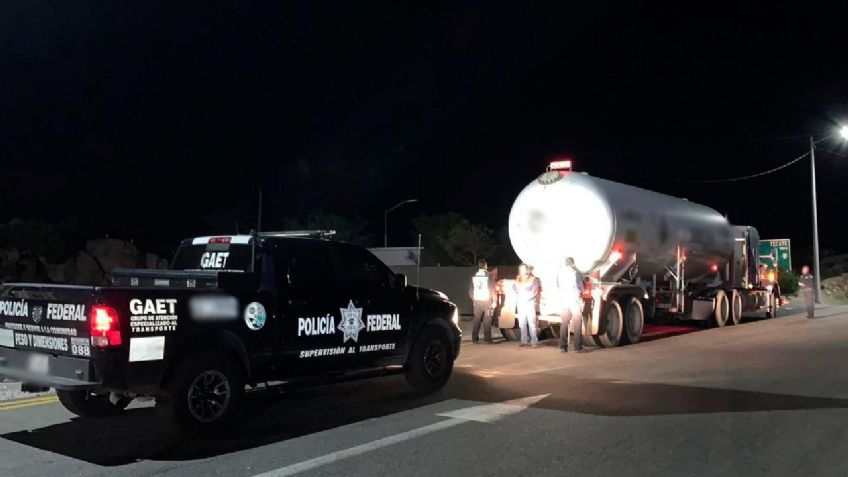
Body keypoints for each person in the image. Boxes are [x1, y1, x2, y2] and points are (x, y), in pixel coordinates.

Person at [555, 257, 586, 353]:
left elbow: (558, 285)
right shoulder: (575, 273)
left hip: (564, 300)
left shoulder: (560, 274)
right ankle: (577, 347)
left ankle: (563, 347)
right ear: (573, 264)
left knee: (564, 323)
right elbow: (582, 287)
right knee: (577, 322)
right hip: (574, 300)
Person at [468, 260, 496, 344]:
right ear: (485, 265)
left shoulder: (474, 275)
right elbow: (492, 289)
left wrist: (473, 299)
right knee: (487, 319)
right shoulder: (489, 275)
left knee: (476, 319)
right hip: (487, 300)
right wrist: (494, 301)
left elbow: (470, 290)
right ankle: (488, 339)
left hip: (477, 300)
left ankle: (474, 339)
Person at [513, 264, 540, 348]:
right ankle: (524, 341)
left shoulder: (533, 279)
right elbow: (514, 289)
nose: (521, 271)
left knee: (531, 323)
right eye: (520, 269)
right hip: (521, 304)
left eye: (523, 269)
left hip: (529, 303)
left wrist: (527, 298)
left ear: (527, 270)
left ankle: (534, 342)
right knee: (522, 323)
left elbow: (535, 291)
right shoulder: (518, 280)